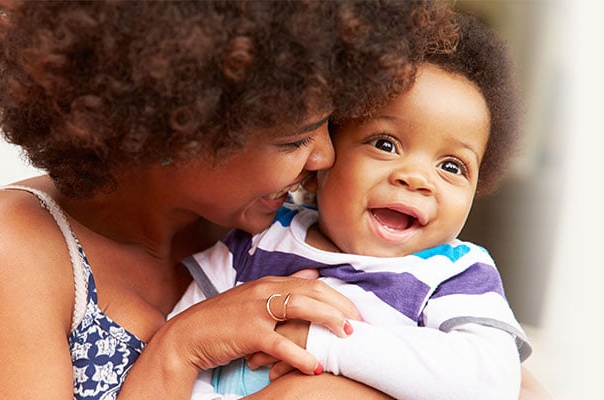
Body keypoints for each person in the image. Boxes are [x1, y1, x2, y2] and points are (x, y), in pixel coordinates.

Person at [0, 2, 465, 399]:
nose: (326, 157)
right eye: (293, 140)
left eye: (329, 125)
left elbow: (512, 385)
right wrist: (179, 348)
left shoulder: (294, 229)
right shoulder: (14, 250)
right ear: (175, 131)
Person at [173, 14, 529, 399]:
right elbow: (186, 337)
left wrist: (327, 343)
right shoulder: (258, 240)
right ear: (325, 157)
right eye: (385, 144)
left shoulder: (455, 273)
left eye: (451, 166)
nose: (416, 178)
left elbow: (491, 380)